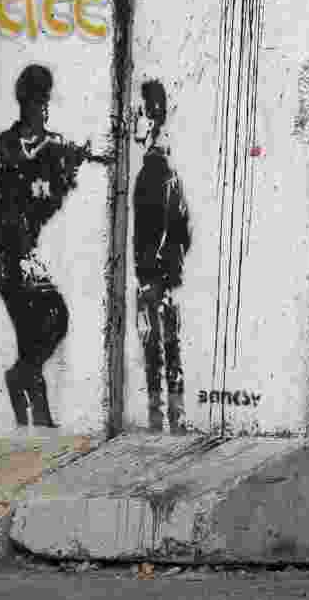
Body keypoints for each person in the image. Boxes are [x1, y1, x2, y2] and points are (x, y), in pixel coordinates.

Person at [0, 64, 108, 428]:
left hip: (28, 254)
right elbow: (16, 186)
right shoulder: (8, 145)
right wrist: (50, 154)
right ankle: (28, 390)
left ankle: (33, 403)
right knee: (47, 319)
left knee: (49, 323)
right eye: (39, 102)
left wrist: (66, 176)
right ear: (26, 103)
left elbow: (45, 206)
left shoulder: (49, 147)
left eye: (45, 102)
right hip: (10, 255)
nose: (44, 109)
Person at [132, 79, 191, 434]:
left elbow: (168, 226)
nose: (133, 120)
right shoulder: (167, 172)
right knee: (169, 347)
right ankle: (175, 417)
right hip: (165, 276)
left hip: (152, 277)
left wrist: (152, 267)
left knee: (155, 348)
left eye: (138, 114)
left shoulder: (152, 173)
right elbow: (183, 229)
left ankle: (160, 419)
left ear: (150, 119)